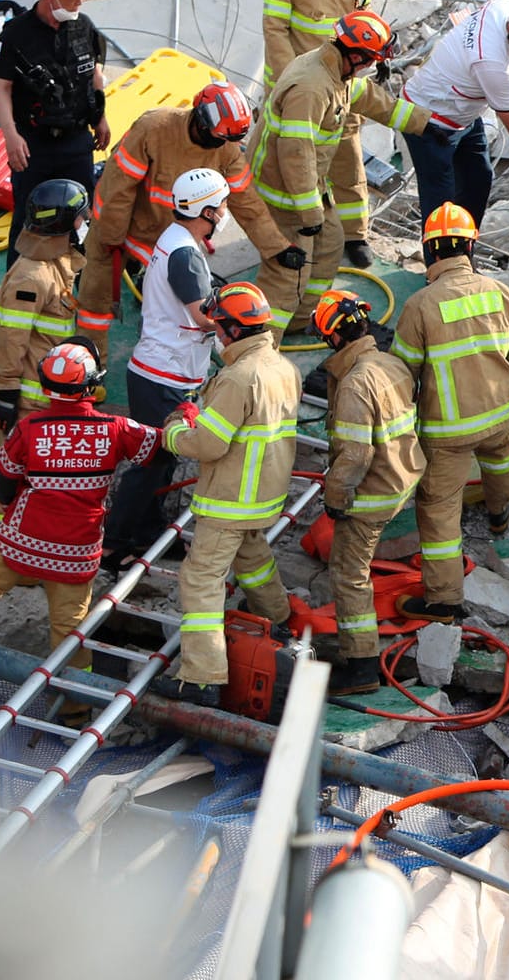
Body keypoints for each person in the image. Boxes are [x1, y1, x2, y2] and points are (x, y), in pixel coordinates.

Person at [0, 344, 159, 697]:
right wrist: (185, 413)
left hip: (19, 544)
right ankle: (75, 709)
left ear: (46, 385)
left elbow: (3, 487)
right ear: (92, 386)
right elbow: (158, 448)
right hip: (76, 556)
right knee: (71, 633)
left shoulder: (29, 428)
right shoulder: (117, 428)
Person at [152, 283, 300, 706]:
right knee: (252, 561)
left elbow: (208, 445)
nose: (216, 333)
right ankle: (279, 621)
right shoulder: (282, 367)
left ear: (235, 330)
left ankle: (202, 677)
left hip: (229, 501)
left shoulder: (238, 377)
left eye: (219, 326)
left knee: (200, 581)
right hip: (262, 499)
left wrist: (175, 430)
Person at [77, 83, 303, 353]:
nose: (222, 145)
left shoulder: (226, 147)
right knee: (94, 301)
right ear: (200, 119)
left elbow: (246, 201)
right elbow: (117, 188)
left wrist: (277, 246)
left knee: (176, 310)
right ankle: (89, 362)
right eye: (218, 138)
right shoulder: (154, 129)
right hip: (123, 229)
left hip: (171, 241)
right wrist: (109, 238)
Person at [247, 9, 429, 334]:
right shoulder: (311, 88)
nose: (374, 66)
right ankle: (258, 344)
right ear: (356, 55)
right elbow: (295, 154)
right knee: (290, 272)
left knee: (329, 247)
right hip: (285, 194)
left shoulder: (338, 73)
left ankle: (299, 322)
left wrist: (423, 125)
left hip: (309, 189)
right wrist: (309, 213)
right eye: (372, 58)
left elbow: (371, 100)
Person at [392, 204, 509, 623]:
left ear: (430, 251)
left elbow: (403, 375)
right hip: (499, 414)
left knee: (438, 514)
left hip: (446, 432)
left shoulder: (419, 306)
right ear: (471, 246)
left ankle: (445, 601)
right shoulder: (499, 291)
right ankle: (501, 512)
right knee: (503, 460)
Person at [101, 168, 230, 566]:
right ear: (207, 211)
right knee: (151, 462)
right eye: (222, 205)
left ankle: (147, 532)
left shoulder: (177, 241)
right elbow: (204, 317)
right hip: (164, 375)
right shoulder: (185, 255)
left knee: (162, 460)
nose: (226, 212)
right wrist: (238, 315)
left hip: (164, 369)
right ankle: (113, 543)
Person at [311, 290, 424, 694]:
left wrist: (336, 498)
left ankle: (361, 667)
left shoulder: (356, 383)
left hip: (373, 493)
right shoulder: (390, 363)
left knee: (348, 574)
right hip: (402, 476)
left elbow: (355, 455)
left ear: (333, 337)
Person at [260, 0, 384, 270]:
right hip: (301, 90)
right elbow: (275, 31)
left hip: (341, 87)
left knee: (348, 162)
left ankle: (354, 235)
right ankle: (286, 233)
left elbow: (364, 16)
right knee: (294, 166)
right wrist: (291, 84)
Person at [0, 179, 90, 532]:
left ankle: (22, 542)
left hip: (44, 399)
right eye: (80, 216)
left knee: (34, 478)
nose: (85, 221)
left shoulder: (56, 264)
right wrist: (5, 392)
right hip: (26, 402)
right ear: (63, 224)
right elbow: (9, 336)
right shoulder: (33, 275)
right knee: (11, 477)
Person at [401, 0, 509, 222]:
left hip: (462, 112)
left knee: (478, 179)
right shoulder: (491, 64)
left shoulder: (504, 7)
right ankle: (442, 254)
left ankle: (465, 247)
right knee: (441, 203)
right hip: (429, 119)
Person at [0, 0, 109, 269]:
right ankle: (17, 287)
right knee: (28, 218)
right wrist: (10, 136)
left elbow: (94, 74)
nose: (79, 1)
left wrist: (101, 116)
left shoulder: (84, 27)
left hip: (76, 142)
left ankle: (73, 281)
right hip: (33, 146)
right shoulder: (15, 35)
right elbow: (1, 89)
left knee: (80, 217)